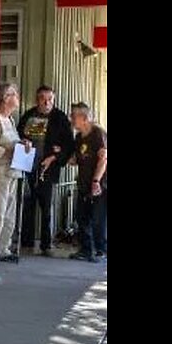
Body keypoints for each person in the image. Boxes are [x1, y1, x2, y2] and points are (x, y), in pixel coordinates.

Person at [17, 85, 75, 256]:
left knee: (47, 206)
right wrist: (23, 140)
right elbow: (19, 135)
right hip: (28, 167)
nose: (46, 102)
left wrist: (55, 157)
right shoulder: (28, 115)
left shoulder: (60, 117)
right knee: (28, 204)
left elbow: (69, 144)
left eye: (50, 98)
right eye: (43, 98)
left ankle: (46, 244)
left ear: (53, 100)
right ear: (37, 99)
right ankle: (26, 242)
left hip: (48, 168)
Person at [0, 82, 31, 262]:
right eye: (14, 94)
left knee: (9, 213)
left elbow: (12, 142)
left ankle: (3, 248)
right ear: (5, 97)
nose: (17, 97)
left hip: (13, 171)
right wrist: (10, 150)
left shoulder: (11, 120)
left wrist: (23, 144)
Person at [67, 102, 107, 263]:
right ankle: (85, 250)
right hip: (83, 183)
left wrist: (96, 181)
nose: (71, 119)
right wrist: (71, 159)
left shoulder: (98, 134)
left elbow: (103, 160)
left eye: (73, 116)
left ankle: (101, 250)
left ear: (84, 118)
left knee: (98, 218)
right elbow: (80, 157)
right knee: (81, 217)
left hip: (100, 183)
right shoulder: (78, 137)